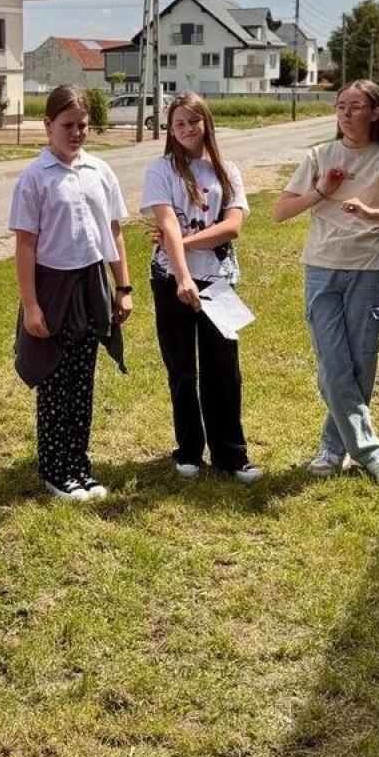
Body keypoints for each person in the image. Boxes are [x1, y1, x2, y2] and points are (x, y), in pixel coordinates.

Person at [272, 78, 379, 484]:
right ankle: (371, 454)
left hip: (368, 271)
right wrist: (321, 191)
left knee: (360, 368)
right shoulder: (319, 156)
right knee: (333, 366)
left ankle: (332, 448)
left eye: (356, 107)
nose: (346, 114)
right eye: (341, 106)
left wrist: (373, 212)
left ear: (376, 112)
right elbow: (280, 211)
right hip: (322, 270)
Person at [9, 84, 132, 502]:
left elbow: (113, 231)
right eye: (67, 125)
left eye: (82, 125)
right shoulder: (35, 178)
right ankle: (54, 470)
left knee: (83, 379)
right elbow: (25, 244)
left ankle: (79, 466)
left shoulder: (100, 171)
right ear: (47, 125)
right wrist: (31, 306)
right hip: (52, 287)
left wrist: (123, 286)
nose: (76, 132)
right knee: (55, 379)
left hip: (91, 284)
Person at [140, 92, 262, 483]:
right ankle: (188, 449)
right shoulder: (160, 171)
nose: (187, 129)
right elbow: (168, 221)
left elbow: (232, 228)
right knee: (181, 369)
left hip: (219, 282)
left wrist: (178, 242)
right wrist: (182, 274)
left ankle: (232, 455)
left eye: (193, 121)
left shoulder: (227, 170)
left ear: (205, 122)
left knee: (224, 369)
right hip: (171, 281)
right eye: (179, 124)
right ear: (170, 130)